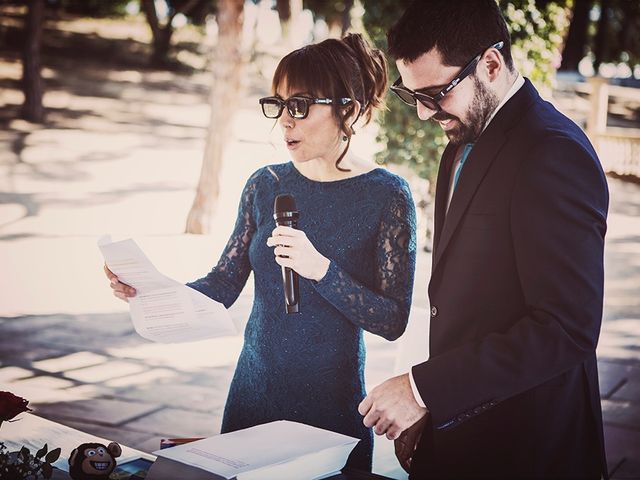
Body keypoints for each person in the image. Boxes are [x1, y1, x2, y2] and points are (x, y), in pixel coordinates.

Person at [105, 33, 417, 472]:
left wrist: (321, 269)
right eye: (280, 104)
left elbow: (392, 320)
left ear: (347, 108)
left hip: (330, 411)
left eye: (300, 105)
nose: (285, 121)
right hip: (252, 398)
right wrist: (152, 290)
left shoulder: (387, 196)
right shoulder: (264, 183)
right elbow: (223, 283)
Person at [357, 1, 609, 478]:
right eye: (413, 97)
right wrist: (434, 409)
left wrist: (421, 390)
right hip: (460, 432)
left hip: (529, 448)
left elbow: (565, 328)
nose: (426, 114)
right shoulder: (461, 142)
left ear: (491, 64)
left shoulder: (554, 153)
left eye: (436, 93)